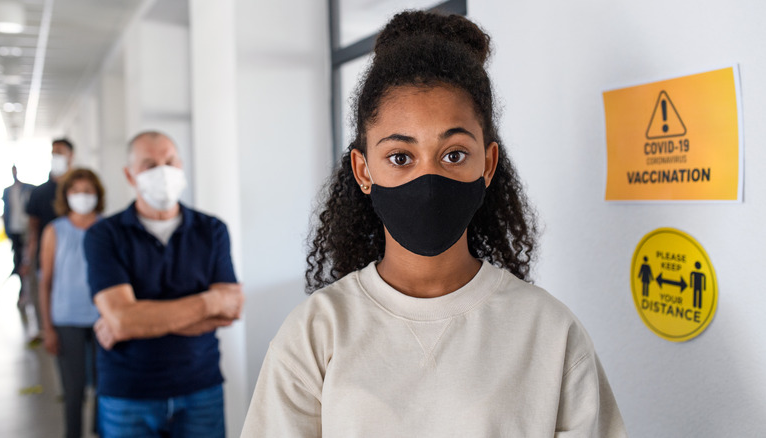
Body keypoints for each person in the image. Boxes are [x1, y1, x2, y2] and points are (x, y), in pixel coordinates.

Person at [242, 11, 627, 437]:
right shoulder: (316, 334)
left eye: (454, 154)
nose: (428, 181)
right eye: (400, 157)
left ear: (488, 163)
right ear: (364, 169)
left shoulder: (552, 334)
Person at [83, 131, 244, 438]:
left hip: (201, 388)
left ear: (181, 166)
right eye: (149, 164)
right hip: (127, 393)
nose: (163, 172)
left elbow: (232, 309)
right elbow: (122, 318)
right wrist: (209, 302)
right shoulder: (104, 235)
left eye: (169, 162)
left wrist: (135, 320)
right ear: (130, 175)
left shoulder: (212, 230)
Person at [38, 168, 104, 438]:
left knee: (105, 387)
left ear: (97, 195)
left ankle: (102, 432)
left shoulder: (107, 227)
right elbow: (46, 282)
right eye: (76, 191)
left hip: (104, 318)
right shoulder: (55, 231)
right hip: (66, 319)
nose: (82, 197)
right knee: (74, 390)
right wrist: (48, 328)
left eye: (88, 191)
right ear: (66, 195)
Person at [25, 138, 75, 342]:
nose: (56, 157)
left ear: (71, 156)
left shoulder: (79, 189)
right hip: (47, 256)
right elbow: (33, 230)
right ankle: (46, 330)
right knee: (45, 292)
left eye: (60, 152)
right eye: (53, 153)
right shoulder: (39, 193)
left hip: (73, 257)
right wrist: (28, 258)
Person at [2, 165, 35, 304]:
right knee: (18, 260)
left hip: (26, 230)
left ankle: (26, 293)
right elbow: (6, 211)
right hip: (14, 229)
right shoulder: (7, 191)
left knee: (26, 261)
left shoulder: (29, 188)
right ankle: (23, 292)